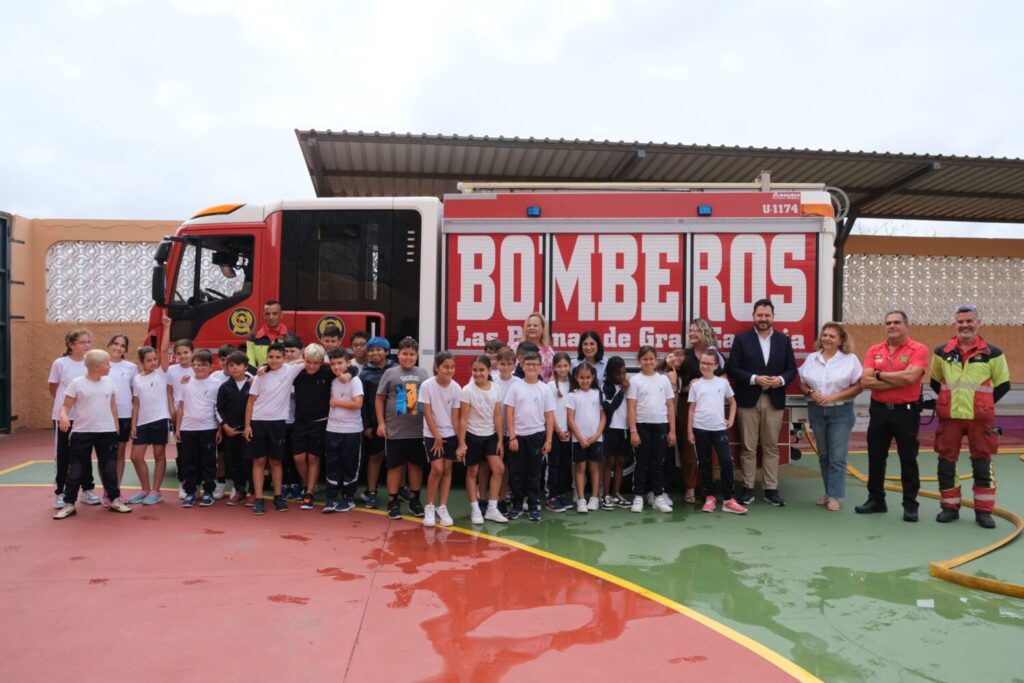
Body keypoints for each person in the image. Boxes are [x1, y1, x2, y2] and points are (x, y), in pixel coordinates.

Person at [929, 305, 1011, 529]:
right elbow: (936, 382)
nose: (964, 325)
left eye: (969, 321)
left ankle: (984, 512)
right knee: (946, 463)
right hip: (950, 419)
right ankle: (949, 507)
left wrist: (982, 404)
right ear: (955, 324)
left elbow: (1003, 385)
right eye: (960, 322)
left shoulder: (992, 353)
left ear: (978, 323)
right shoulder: (941, 352)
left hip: (980, 420)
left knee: (982, 463)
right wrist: (950, 402)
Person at [855, 310, 930, 522]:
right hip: (879, 411)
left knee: (908, 458)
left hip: (906, 413)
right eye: (888, 323)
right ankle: (876, 500)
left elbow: (910, 377)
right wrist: (894, 378)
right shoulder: (874, 350)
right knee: (876, 457)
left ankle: (910, 504)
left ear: (906, 325)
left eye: (897, 322)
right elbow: (865, 381)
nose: (892, 326)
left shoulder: (919, 349)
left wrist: (879, 375)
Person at [726, 299, 798, 507]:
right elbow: (733, 368)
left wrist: (781, 380)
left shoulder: (784, 341)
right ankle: (748, 488)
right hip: (748, 399)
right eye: (760, 315)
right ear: (754, 316)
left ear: (773, 317)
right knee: (748, 447)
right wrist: (754, 378)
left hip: (773, 399)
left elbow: (792, 369)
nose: (763, 319)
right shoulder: (742, 339)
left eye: (767, 315)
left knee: (771, 447)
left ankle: (770, 489)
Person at [54, 349, 132, 519]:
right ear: (97, 367)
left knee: (109, 469)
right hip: (82, 433)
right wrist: (63, 416)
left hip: (107, 432)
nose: (109, 366)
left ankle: (114, 499)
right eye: (107, 363)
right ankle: (69, 504)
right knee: (76, 469)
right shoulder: (76, 383)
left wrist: (116, 427)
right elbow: (66, 406)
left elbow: (113, 406)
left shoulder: (109, 382)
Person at [798, 322, 863, 511]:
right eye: (824, 334)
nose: (826, 338)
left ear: (841, 340)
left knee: (837, 455)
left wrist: (835, 396)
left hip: (840, 412)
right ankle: (828, 493)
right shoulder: (812, 359)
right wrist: (811, 393)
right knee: (824, 455)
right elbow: (802, 384)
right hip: (817, 411)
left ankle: (835, 496)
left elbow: (859, 386)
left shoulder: (850, 360)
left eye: (831, 336)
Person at [244, 342, 305, 515]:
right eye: (270, 357)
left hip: (278, 423)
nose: (274, 360)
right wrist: (248, 425)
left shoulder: (289, 370)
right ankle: (259, 498)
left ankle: (278, 497)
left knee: (276, 461)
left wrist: (288, 364)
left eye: (278, 357)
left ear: (284, 358)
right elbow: (250, 402)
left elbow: (312, 357)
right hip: (258, 422)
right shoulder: (259, 377)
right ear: (266, 358)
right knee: (259, 461)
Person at [376, 337, 430, 520]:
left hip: (417, 431)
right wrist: (381, 423)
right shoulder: (390, 373)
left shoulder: (423, 374)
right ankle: (393, 501)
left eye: (412, 354)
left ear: (417, 356)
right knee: (395, 466)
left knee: (416, 465)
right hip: (395, 431)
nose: (408, 357)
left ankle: (415, 500)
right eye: (405, 354)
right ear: (398, 355)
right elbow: (379, 398)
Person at [688, 348, 746, 515]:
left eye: (708, 363)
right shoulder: (696, 385)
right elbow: (691, 409)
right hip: (700, 429)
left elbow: (733, 402)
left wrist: (731, 419)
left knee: (726, 461)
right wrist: (689, 431)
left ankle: (728, 499)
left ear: (716, 365)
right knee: (705, 464)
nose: (704, 366)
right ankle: (709, 497)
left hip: (719, 429)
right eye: (702, 363)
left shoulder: (723, 383)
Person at [48, 328, 99, 508]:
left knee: (84, 455)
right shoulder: (60, 363)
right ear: (71, 345)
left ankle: (87, 490)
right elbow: (53, 388)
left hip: (85, 419)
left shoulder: (90, 363)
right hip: (64, 418)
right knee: (63, 455)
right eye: (83, 342)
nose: (87, 345)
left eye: (89, 342)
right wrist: (65, 409)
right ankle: (60, 492)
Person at [678, 319, 727, 504]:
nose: (691, 334)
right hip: (688, 404)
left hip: (711, 407)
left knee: (712, 449)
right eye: (690, 330)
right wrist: (687, 387)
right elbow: (674, 383)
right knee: (690, 448)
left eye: (695, 331)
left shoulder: (716, 355)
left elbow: (724, 379)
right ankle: (690, 487)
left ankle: (708, 489)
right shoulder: (685, 355)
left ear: (705, 332)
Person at [503, 351, 555, 521]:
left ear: (540, 366)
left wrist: (548, 440)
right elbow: (509, 413)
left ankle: (533, 504)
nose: (531, 367)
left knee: (534, 473)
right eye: (528, 364)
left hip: (537, 436)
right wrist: (512, 437)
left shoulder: (545, 389)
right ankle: (517, 504)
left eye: (535, 364)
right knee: (516, 472)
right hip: (518, 437)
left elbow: (549, 416)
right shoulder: (516, 387)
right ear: (522, 366)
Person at [457, 355, 508, 525]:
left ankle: (492, 509)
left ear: (489, 371)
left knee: (499, 469)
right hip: (472, 436)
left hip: (490, 436)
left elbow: (497, 416)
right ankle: (475, 509)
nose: (478, 373)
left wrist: (500, 440)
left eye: (481, 370)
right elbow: (463, 419)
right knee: (472, 472)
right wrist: (462, 442)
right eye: (475, 370)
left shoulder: (496, 389)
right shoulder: (467, 390)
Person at [627, 346, 676, 513]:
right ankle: (638, 496)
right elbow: (631, 408)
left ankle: (657, 496)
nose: (648, 362)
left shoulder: (664, 380)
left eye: (651, 359)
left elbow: (670, 406)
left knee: (658, 462)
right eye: (644, 359)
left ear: (657, 359)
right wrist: (633, 431)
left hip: (661, 425)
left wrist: (672, 431)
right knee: (642, 462)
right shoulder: (635, 381)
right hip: (642, 426)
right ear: (639, 361)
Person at [126, 343, 173, 505]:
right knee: (135, 457)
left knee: (159, 455)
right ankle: (145, 489)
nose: (153, 362)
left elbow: (165, 349)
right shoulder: (137, 379)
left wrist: (166, 327)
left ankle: (156, 491)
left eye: (155, 359)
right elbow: (136, 404)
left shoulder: (161, 373)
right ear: (142, 362)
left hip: (160, 420)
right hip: (142, 423)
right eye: (149, 360)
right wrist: (133, 425)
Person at [419, 351, 462, 528]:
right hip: (431, 434)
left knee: (447, 469)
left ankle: (442, 507)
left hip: (450, 434)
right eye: (445, 367)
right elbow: (427, 413)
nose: (449, 370)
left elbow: (455, 416)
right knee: (436, 469)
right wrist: (437, 436)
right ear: (437, 367)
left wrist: (460, 441)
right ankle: (429, 506)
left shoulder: (456, 388)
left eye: (452, 367)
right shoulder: (427, 386)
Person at [175, 349, 222, 507]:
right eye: (196, 364)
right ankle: (191, 491)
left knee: (208, 461)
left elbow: (218, 408)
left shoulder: (216, 384)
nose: (199, 367)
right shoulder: (186, 383)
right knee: (189, 462)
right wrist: (178, 429)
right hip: (188, 429)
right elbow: (181, 407)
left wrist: (219, 429)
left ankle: (208, 491)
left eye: (203, 365)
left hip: (208, 428)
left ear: (211, 367)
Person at [291, 343, 334, 509]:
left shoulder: (327, 372)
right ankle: (309, 483)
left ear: (322, 362)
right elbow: (279, 368)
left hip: (319, 422)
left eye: (316, 363)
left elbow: (350, 368)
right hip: (300, 421)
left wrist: (328, 364)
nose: (312, 366)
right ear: (304, 360)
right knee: (298, 458)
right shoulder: (297, 373)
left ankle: (308, 493)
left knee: (314, 457)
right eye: (308, 362)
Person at [322, 348, 364, 513]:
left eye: (340, 363)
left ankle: (348, 497)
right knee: (332, 462)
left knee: (350, 464)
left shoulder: (355, 381)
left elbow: (358, 404)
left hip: (352, 430)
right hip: (332, 429)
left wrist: (336, 403)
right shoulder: (332, 378)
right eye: (333, 364)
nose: (336, 367)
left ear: (348, 363)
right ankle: (331, 497)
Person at [356, 336, 396, 508]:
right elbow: (362, 403)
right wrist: (365, 425)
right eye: (371, 350)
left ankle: (398, 490)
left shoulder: (396, 369)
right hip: (374, 422)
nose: (375, 353)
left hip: (396, 422)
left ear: (386, 351)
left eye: (379, 349)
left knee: (396, 458)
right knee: (375, 457)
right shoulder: (364, 374)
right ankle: (371, 492)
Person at [567, 362, 605, 513]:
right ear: (576, 377)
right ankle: (581, 499)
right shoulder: (573, 395)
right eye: (581, 377)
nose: (585, 380)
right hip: (579, 439)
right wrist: (580, 438)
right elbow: (570, 418)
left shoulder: (597, 393)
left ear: (593, 377)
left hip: (596, 438)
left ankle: (595, 497)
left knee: (594, 467)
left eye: (588, 377)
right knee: (580, 467)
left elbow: (603, 417)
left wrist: (596, 435)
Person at [216, 351, 253, 505]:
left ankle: (253, 491)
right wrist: (225, 426)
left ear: (245, 367)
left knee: (249, 461)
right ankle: (239, 490)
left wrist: (249, 427)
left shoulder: (253, 384)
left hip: (249, 431)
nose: (234, 368)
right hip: (231, 432)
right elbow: (218, 409)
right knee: (235, 461)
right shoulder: (224, 387)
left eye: (238, 365)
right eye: (231, 365)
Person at [106, 333, 137, 502]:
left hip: (124, 416)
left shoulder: (131, 367)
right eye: (115, 344)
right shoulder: (101, 364)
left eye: (122, 345)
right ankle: (107, 491)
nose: (118, 348)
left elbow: (134, 393)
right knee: (106, 456)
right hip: (104, 417)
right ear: (109, 345)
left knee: (120, 454)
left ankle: (116, 491)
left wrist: (133, 419)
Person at [166, 337, 195, 499]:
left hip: (196, 415)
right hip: (179, 414)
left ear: (192, 353)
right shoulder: (172, 370)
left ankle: (197, 481)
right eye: (179, 353)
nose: (183, 356)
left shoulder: (198, 368)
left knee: (196, 450)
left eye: (186, 352)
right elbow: (170, 391)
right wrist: (171, 409)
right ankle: (183, 481)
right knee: (182, 449)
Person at [601, 356, 632, 509]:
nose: (621, 377)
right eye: (618, 374)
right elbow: (610, 408)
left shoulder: (627, 385)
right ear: (610, 373)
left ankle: (616, 494)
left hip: (624, 429)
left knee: (620, 462)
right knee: (609, 462)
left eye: (624, 373)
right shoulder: (606, 387)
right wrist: (622, 392)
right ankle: (605, 495)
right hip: (611, 429)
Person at [546, 352, 573, 512]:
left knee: (565, 465)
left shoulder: (573, 384)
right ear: (554, 368)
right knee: (553, 464)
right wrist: (557, 430)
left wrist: (569, 429)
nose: (562, 369)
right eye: (559, 366)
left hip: (569, 432)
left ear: (569, 366)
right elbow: (550, 411)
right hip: (555, 432)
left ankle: (561, 494)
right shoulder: (549, 386)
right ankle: (551, 497)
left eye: (565, 365)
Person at [510, 312, 555, 382]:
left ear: (543, 329)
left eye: (535, 325)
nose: (531, 328)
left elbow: (552, 374)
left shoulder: (549, 351)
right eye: (529, 325)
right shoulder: (515, 347)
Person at [246, 300, 289, 370]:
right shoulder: (253, 339)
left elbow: (292, 363)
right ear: (264, 315)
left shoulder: (289, 337)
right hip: (261, 378)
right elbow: (250, 364)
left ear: (281, 315)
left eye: (275, 314)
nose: (271, 317)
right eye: (268, 314)